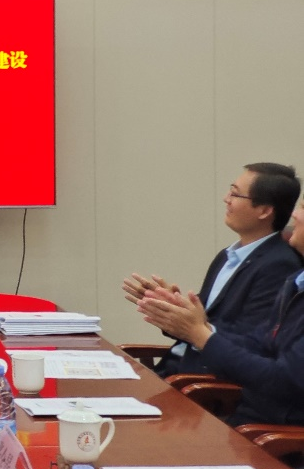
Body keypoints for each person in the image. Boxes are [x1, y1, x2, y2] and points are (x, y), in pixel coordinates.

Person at [138, 196, 304, 428]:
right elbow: (256, 343)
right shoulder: (295, 282)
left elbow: (282, 380)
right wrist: (192, 324)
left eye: (303, 208)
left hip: (271, 433)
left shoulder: (280, 266)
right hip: (244, 419)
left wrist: (200, 335)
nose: (294, 214)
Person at [123, 163, 302, 377]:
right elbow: (202, 321)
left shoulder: (279, 265)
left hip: (200, 381)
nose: (226, 199)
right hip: (175, 368)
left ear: (264, 211)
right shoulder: (226, 255)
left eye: (235, 194)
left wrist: (198, 329)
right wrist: (172, 307)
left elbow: (252, 344)